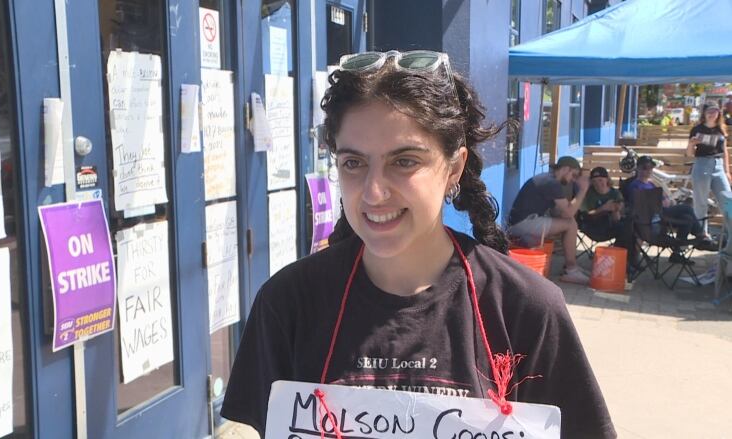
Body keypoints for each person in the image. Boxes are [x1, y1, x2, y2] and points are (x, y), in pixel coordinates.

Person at [221, 51, 615, 438]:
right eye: (353, 163)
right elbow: (252, 424)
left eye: (404, 161)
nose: (374, 193)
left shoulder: (524, 308)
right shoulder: (288, 302)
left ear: (454, 168)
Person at [507, 156, 590, 284]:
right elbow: (569, 212)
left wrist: (565, 212)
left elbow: (559, 212)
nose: (572, 181)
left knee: (568, 222)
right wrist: (583, 190)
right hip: (522, 224)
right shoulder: (551, 183)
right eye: (573, 176)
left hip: (520, 223)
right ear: (566, 169)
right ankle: (571, 269)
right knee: (571, 224)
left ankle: (570, 267)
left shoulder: (548, 179)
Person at [622, 156, 716, 262]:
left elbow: (663, 198)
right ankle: (702, 235)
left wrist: (666, 200)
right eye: (645, 167)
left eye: (651, 168)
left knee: (687, 218)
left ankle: (677, 253)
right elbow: (639, 204)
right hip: (652, 218)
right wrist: (659, 202)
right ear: (638, 168)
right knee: (686, 208)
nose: (648, 170)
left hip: (662, 214)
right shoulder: (634, 186)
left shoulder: (651, 184)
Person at [687, 101, 732, 235]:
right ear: (704, 114)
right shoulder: (697, 129)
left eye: (715, 111)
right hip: (702, 164)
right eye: (709, 112)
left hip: (718, 166)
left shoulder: (720, 129)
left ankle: (730, 234)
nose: (712, 114)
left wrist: (727, 171)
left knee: (727, 199)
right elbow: (690, 153)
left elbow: (725, 152)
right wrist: (691, 144)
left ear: (719, 113)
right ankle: (701, 235)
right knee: (700, 203)